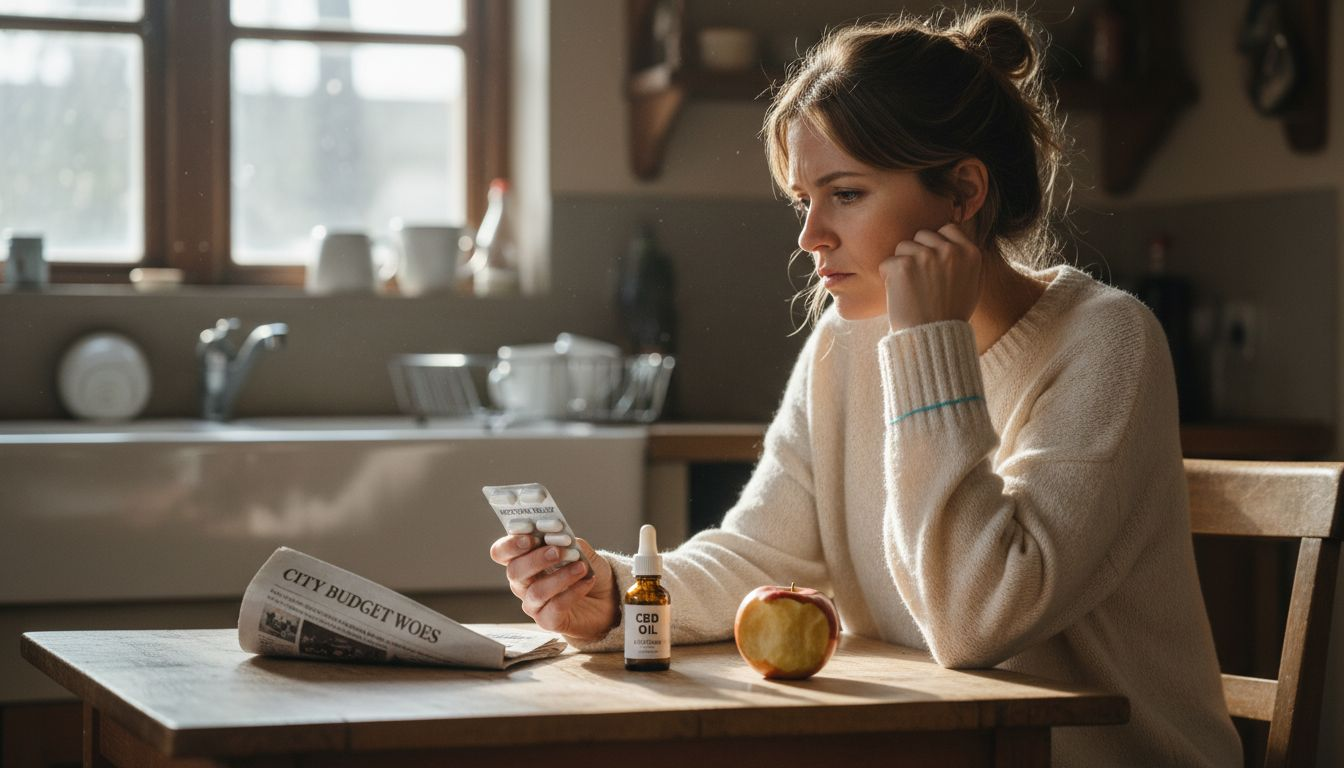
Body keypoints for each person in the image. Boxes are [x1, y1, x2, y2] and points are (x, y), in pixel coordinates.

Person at [490, 8, 1241, 766]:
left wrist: (925, 343)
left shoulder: (1106, 340)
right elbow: (760, 554)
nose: (810, 235)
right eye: (802, 200)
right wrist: (619, 595)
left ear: (963, 192)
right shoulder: (845, 342)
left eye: (845, 193)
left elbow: (975, 620)